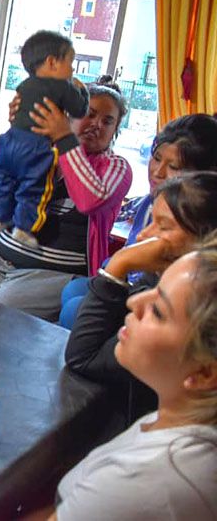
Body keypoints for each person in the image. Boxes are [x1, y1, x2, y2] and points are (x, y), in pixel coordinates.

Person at [52, 237, 217, 520]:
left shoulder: (147, 478)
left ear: (204, 373)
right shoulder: (176, 422)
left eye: (158, 311)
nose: (134, 301)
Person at [0, 76, 132, 321]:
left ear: (115, 130)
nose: (97, 125)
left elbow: (88, 200)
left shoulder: (116, 167)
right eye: (89, 114)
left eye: (108, 121)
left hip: (51, 274)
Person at [65, 171, 217, 425]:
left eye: (164, 226)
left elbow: (84, 357)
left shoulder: (193, 311)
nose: (145, 235)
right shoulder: (156, 279)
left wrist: (120, 263)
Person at [58, 114, 217, 328]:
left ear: (204, 175)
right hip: (131, 283)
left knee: (74, 310)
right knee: (74, 290)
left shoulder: (196, 223)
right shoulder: (149, 203)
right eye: (157, 158)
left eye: (174, 166)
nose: (157, 172)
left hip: (157, 299)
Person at [0, 30, 89, 246]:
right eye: (70, 62)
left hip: (8, 142)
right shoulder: (63, 87)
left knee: (3, 181)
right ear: (52, 62)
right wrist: (82, 93)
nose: (72, 69)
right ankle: (24, 228)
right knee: (33, 188)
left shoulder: (24, 85)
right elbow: (80, 110)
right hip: (35, 147)